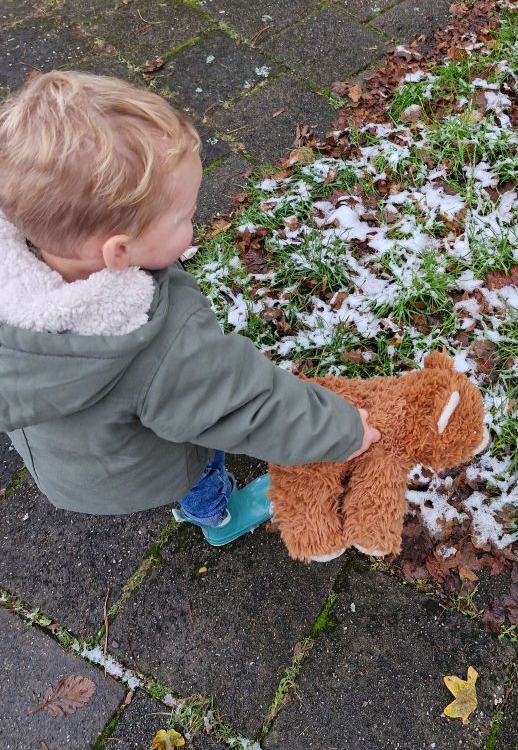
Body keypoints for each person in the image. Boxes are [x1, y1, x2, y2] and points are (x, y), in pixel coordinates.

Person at [0, 71, 380, 546]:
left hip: (73, 459)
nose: (193, 226)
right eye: (184, 217)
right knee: (201, 473)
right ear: (119, 252)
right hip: (148, 463)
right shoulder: (152, 345)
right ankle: (216, 515)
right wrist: (341, 429)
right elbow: (245, 404)